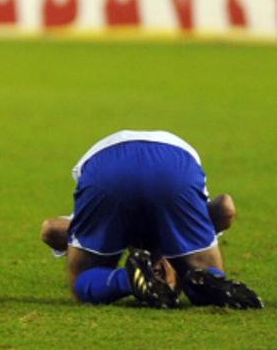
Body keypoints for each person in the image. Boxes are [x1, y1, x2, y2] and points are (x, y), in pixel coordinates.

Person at [38, 130, 263, 309]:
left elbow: (50, 230)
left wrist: (78, 241)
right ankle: (206, 280)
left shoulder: (116, 228)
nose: (158, 275)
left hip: (112, 166)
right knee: (202, 270)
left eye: (154, 281)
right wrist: (209, 224)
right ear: (176, 270)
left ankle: (127, 280)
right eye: (165, 282)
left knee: (83, 281)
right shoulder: (180, 232)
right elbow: (225, 207)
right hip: (171, 164)